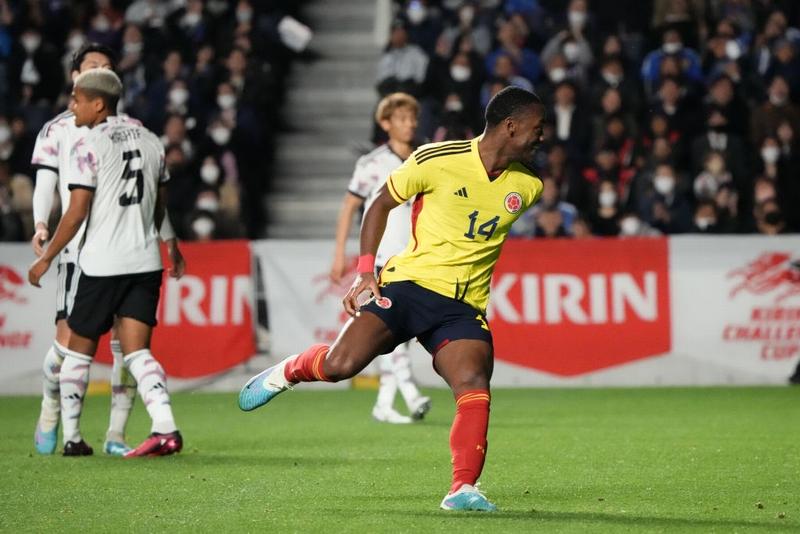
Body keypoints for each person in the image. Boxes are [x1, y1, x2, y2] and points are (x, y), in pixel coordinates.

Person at [240, 86, 546, 512]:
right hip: (407, 287)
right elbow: (380, 204)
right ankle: (291, 369)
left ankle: (462, 488)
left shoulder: (528, 185)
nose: (542, 136)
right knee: (340, 366)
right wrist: (366, 271)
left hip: (462, 306)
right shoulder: (436, 159)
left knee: (474, 382)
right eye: (537, 127)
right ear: (510, 126)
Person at [29, 43, 185, 456]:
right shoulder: (151, 139)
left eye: (78, 100)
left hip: (99, 262)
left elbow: (76, 210)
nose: (72, 106)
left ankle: (76, 439)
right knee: (137, 352)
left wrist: (45, 257)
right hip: (145, 261)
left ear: (98, 103)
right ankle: (165, 426)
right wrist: (170, 243)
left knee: (77, 349)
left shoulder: (87, 143)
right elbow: (160, 204)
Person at [330, 93, 430, 424]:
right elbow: (349, 207)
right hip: (383, 259)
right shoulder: (372, 163)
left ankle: (384, 404)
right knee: (391, 322)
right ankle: (412, 394)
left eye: (412, 118)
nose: (409, 124)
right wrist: (340, 253)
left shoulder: (425, 157)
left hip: (417, 256)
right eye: (401, 119)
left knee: (400, 332)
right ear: (385, 123)